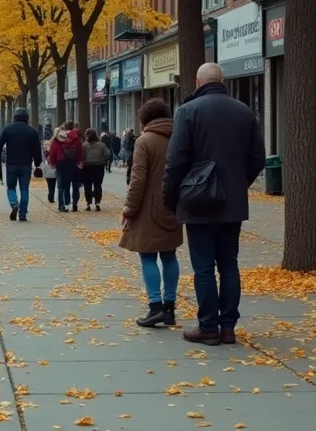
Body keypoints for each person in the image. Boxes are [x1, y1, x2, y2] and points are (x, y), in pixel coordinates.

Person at [163, 63, 266, 346]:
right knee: (229, 265)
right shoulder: (244, 111)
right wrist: (237, 184)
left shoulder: (187, 112)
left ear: (198, 82)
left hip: (198, 203)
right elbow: (258, 157)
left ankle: (208, 326)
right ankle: (228, 326)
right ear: (223, 81)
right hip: (232, 204)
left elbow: (175, 162)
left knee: (204, 267)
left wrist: (171, 199)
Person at [121, 99, 181, 328]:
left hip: (147, 207)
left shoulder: (144, 141)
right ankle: (169, 308)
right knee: (169, 254)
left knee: (147, 255)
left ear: (145, 118)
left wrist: (129, 208)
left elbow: (138, 179)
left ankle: (155, 306)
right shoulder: (178, 137)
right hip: (172, 205)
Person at [0, 108, 44, 222]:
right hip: (26, 164)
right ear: (27, 118)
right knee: (24, 189)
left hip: (11, 163)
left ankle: (14, 203)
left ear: (14, 117)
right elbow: (37, 149)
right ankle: (23, 214)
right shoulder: (32, 131)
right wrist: (37, 162)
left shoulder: (8, 129)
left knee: (11, 187)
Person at [48, 122, 84, 212]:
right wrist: (79, 161)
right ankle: (74, 204)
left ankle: (63, 205)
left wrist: (52, 164)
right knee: (75, 184)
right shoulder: (76, 139)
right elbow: (80, 152)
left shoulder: (57, 140)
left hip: (60, 163)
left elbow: (52, 153)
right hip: (73, 163)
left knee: (62, 185)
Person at [81, 128, 111, 210]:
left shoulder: (84, 145)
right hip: (98, 167)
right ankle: (97, 202)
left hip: (87, 167)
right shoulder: (102, 145)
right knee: (98, 185)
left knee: (87, 185)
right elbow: (107, 155)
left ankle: (89, 203)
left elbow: (81, 156)